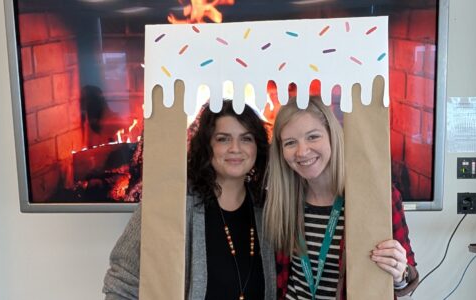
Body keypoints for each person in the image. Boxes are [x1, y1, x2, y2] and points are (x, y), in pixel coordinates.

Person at [103, 100, 277, 300]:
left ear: (258, 147)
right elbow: (123, 281)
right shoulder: (172, 200)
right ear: (207, 146)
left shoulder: (267, 208)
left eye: (246, 139)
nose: (235, 148)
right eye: (223, 139)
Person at [263, 96, 419, 299]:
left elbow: (408, 277)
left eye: (312, 137)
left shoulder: (377, 196)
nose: (302, 151)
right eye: (290, 142)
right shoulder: (282, 200)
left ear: (332, 135)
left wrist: (400, 273)